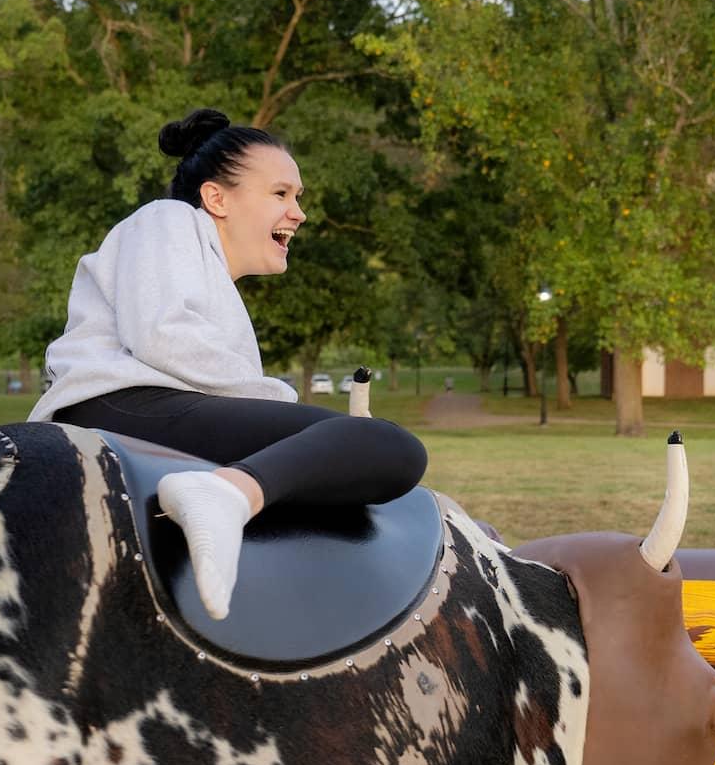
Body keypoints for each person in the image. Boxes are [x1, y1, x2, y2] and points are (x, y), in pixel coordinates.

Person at [30, 108, 427, 619]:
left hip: (148, 406)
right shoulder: (168, 218)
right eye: (281, 193)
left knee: (368, 454)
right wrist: (288, 408)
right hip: (120, 406)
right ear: (216, 197)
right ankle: (221, 495)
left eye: (298, 197)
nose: (299, 212)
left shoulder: (210, 273)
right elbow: (161, 336)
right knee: (390, 445)